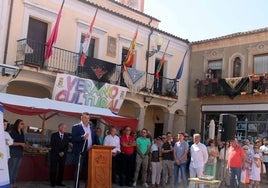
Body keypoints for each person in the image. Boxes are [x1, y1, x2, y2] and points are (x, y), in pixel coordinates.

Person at [72, 112, 99, 188]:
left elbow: (95, 139)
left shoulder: (91, 127)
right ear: (81, 118)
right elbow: (73, 139)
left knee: (88, 170)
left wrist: (96, 144)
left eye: (88, 118)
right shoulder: (76, 127)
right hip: (80, 152)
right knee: (78, 171)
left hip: (90, 152)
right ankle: (76, 186)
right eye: (85, 118)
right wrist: (82, 137)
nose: (87, 119)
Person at [50, 123, 69, 187]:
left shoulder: (66, 136)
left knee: (61, 169)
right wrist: (59, 152)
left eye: (65, 128)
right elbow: (53, 145)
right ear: (59, 128)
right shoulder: (54, 135)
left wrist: (63, 152)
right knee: (53, 169)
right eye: (63, 127)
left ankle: (59, 182)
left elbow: (67, 146)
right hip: (55, 154)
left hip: (63, 155)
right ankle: (52, 182)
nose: (64, 129)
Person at [9, 119, 27, 188]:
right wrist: (21, 144)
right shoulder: (13, 132)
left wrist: (24, 145)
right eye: (21, 123)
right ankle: (10, 184)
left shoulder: (22, 132)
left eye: (23, 124)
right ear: (17, 124)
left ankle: (13, 183)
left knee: (16, 169)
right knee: (12, 169)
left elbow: (22, 142)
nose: (23, 125)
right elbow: (11, 143)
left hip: (20, 152)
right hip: (13, 152)